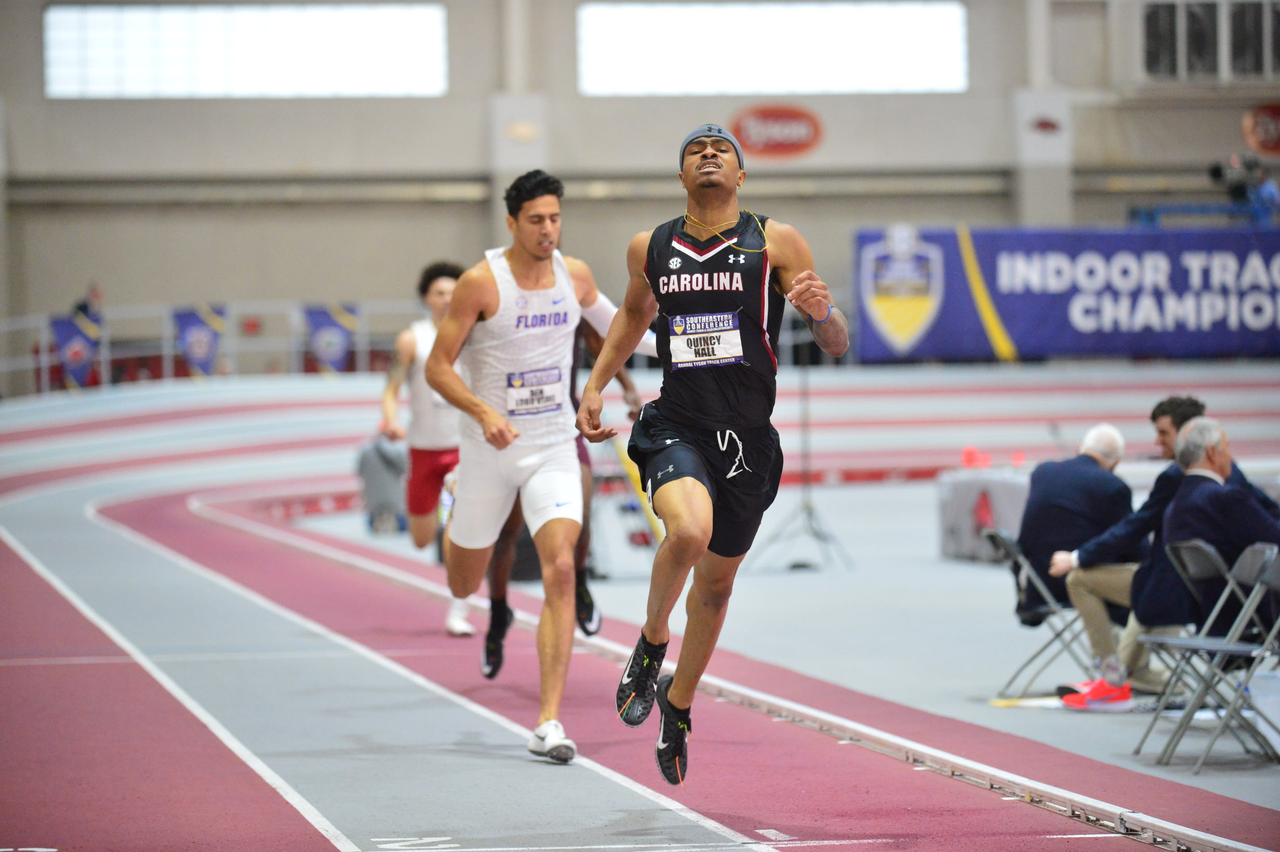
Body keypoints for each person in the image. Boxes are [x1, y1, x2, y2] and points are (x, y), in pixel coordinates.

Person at [576, 124, 849, 786]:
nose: (707, 155)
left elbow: (836, 341)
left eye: (720, 149)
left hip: (750, 440)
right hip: (679, 422)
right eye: (694, 151)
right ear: (681, 177)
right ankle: (649, 640)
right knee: (689, 532)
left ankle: (679, 706)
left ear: (741, 175)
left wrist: (822, 313)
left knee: (719, 585)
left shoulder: (776, 240)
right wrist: (594, 386)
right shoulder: (654, 245)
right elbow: (632, 318)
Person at [426, 169, 651, 764]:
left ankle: (547, 722)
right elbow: (438, 367)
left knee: (559, 569)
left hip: (552, 443)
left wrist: (712, 325)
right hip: (489, 450)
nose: (548, 229)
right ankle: (458, 501)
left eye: (555, 218)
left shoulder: (574, 277)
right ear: (512, 222)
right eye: (535, 220)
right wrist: (479, 411)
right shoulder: (480, 283)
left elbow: (628, 333)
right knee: (463, 582)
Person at [1049, 396, 1280, 708]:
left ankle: (1113, 677)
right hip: (1218, 598)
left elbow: (1137, 525)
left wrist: (1078, 556)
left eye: (1163, 433)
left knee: (1092, 579)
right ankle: (1118, 678)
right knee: (1143, 580)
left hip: (1190, 593)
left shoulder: (1186, 480)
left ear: (1191, 436)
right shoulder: (1224, 480)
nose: (1157, 442)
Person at [380, 261, 475, 636]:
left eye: (454, 292)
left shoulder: (475, 335)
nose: (447, 299)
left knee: (456, 528)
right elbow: (391, 390)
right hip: (422, 449)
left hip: (463, 448)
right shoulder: (411, 340)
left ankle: (458, 610)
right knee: (421, 539)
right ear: (426, 298)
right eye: (440, 293)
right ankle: (440, 514)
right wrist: (390, 421)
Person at [1164, 417, 1280, 635]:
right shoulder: (1225, 498)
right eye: (1227, 448)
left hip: (1214, 620)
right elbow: (1275, 537)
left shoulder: (1174, 507)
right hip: (1257, 617)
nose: (1230, 456)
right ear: (1211, 453)